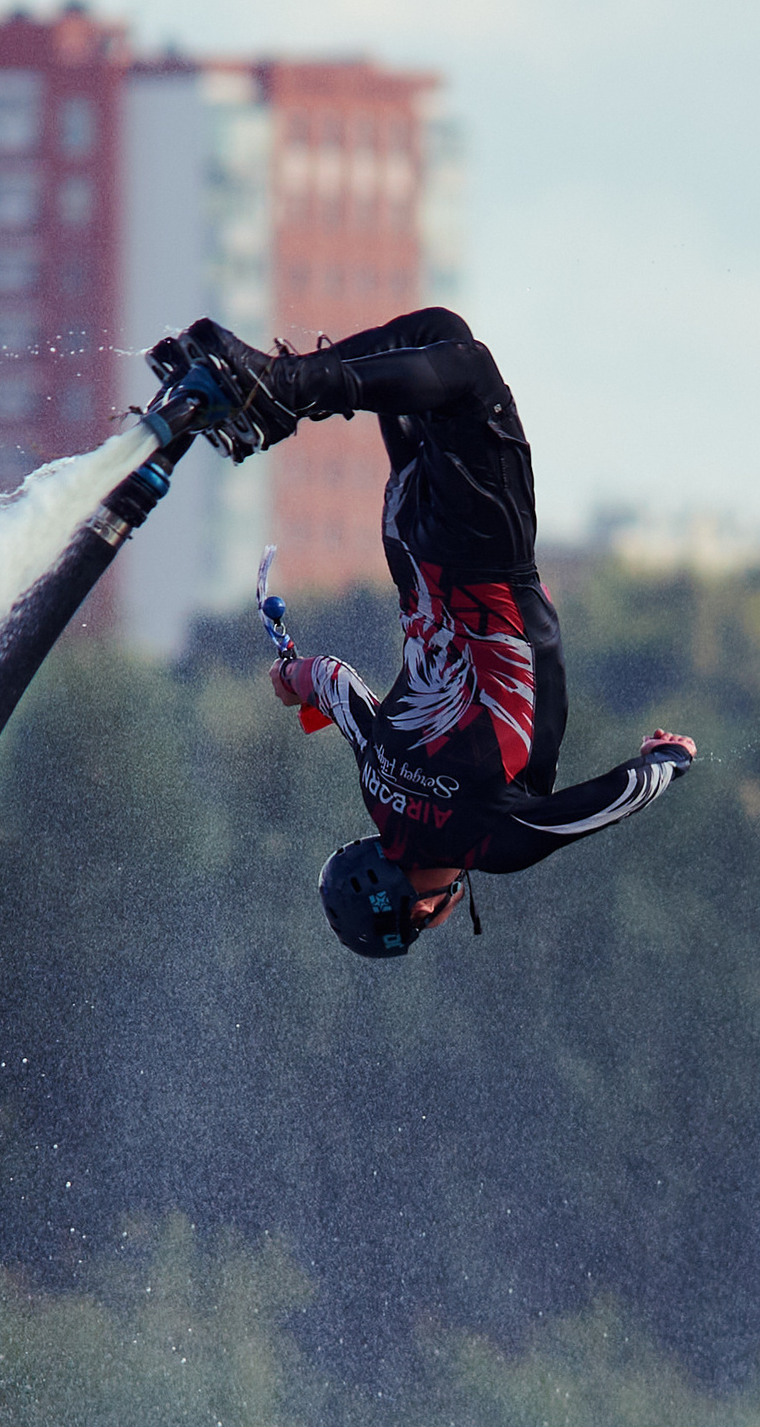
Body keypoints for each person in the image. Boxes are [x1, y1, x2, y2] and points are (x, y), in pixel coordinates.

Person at [157, 307, 696, 959]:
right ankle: (276, 391)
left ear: (419, 908)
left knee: (470, 374)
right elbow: (332, 681)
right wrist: (290, 678)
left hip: (481, 564)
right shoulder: (378, 788)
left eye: (422, 925)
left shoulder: (492, 840)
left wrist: (667, 759)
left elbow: (608, 801)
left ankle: (278, 389)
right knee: (437, 336)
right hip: (410, 546)